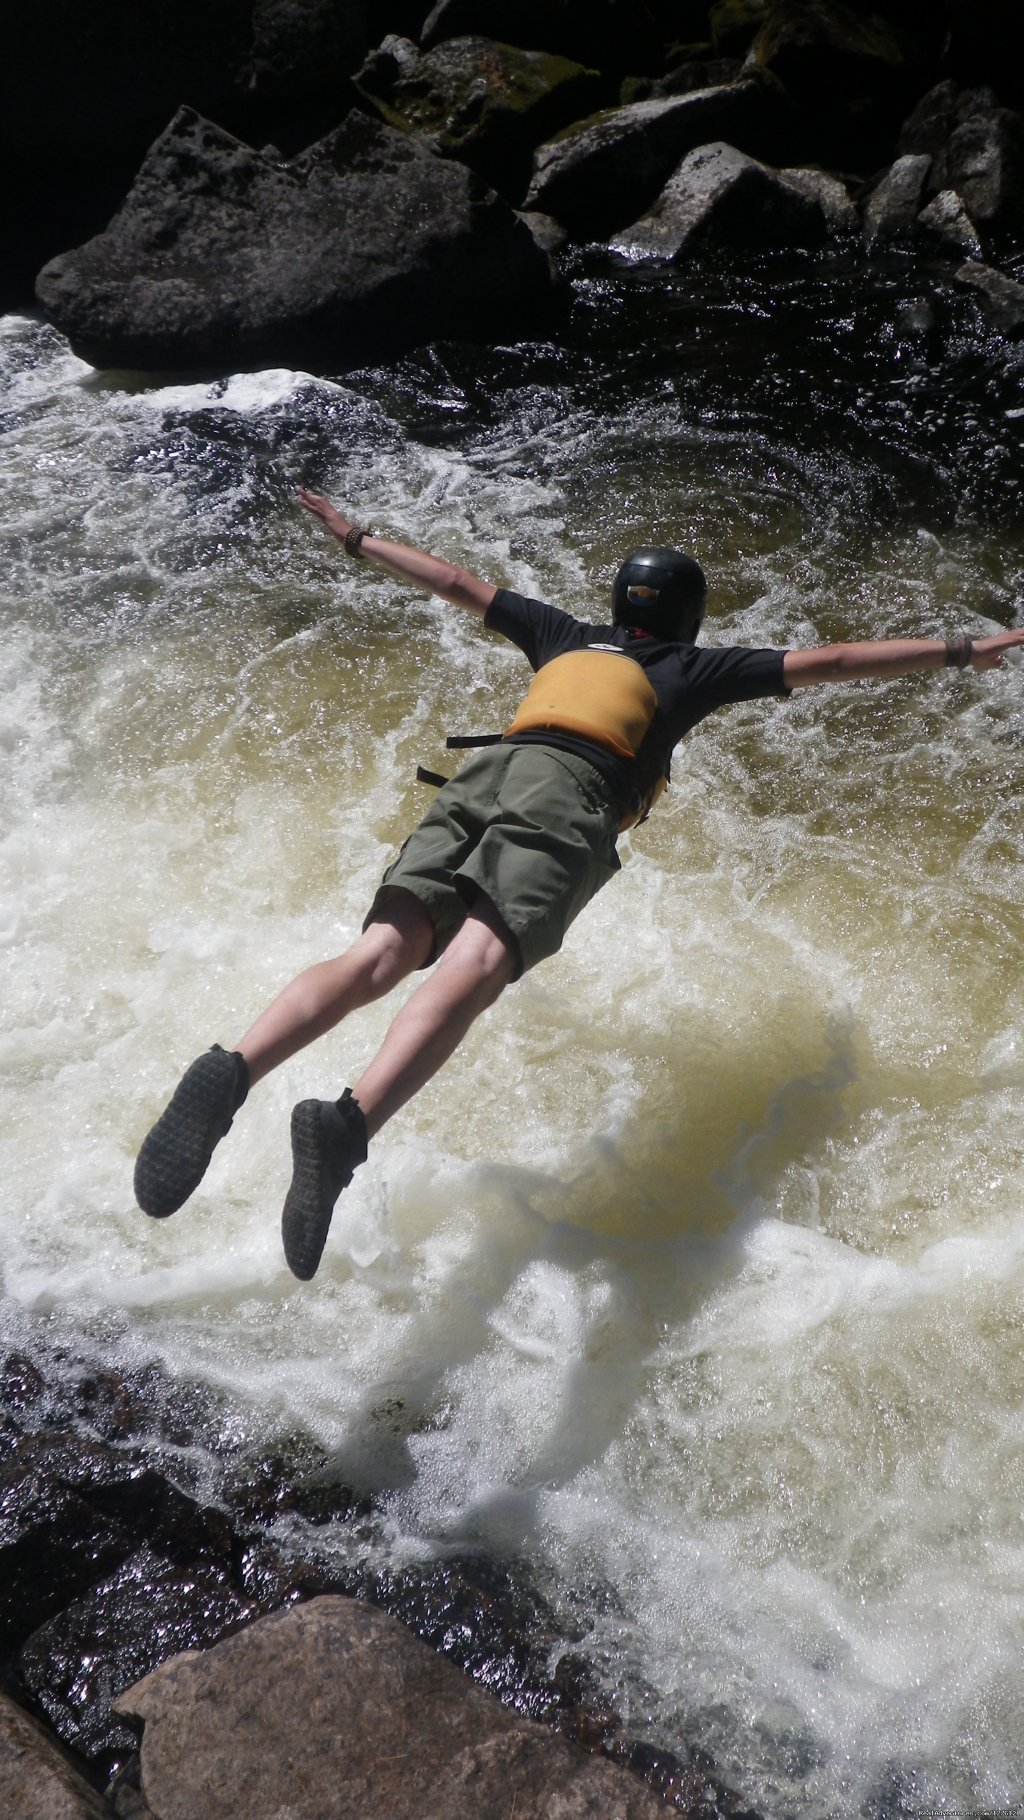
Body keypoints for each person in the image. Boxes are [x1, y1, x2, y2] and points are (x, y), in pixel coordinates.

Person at [133, 487, 1024, 1280]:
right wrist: (965, 650)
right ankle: (347, 1126)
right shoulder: (688, 669)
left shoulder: (561, 634)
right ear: (688, 618)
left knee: (382, 950)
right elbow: (829, 662)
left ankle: (233, 1068)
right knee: (474, 965)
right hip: (570, 796)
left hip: (487, 776)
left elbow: (455, 583)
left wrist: (360, 537)